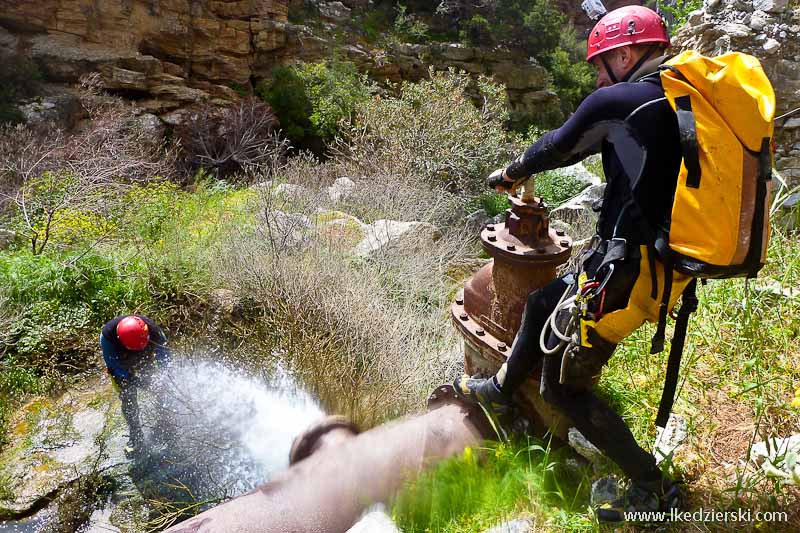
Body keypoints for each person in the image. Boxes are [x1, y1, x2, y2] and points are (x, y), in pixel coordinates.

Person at [455, 5, 688, 522]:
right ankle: (498, 391)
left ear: (626, 55)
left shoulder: (623, 99)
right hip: (649, 265)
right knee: (543, 303)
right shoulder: (676, 101)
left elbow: (560, 146)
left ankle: (653, 488)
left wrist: (511, 173)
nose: (598, 77)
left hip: (628, 275)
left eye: (600, 65)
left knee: (562, 387)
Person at [100, 314, 169, 455]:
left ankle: (166, 422)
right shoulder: (108, 338)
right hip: (122, 362)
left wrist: (164, 375)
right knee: (128, 398)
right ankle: (135, 436)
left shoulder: (154, 331)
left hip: (145, 352)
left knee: (162, 388)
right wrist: (134, 380)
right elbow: (115, 367)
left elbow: (165, 356)